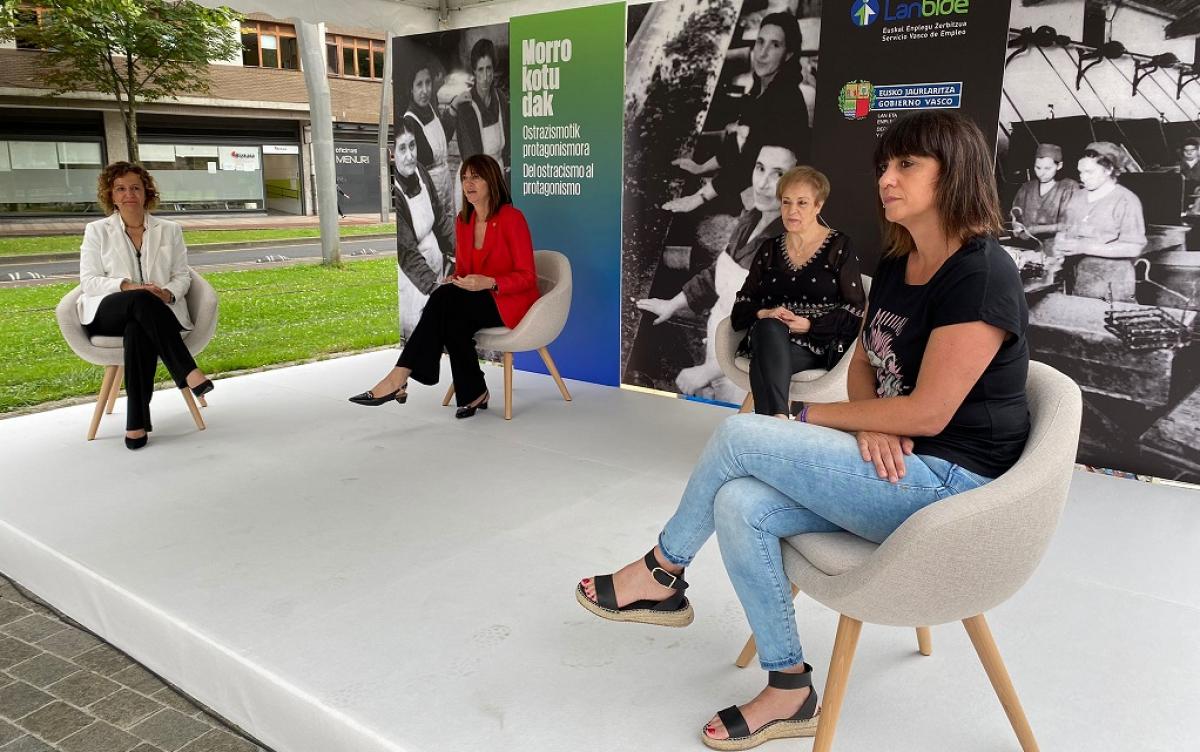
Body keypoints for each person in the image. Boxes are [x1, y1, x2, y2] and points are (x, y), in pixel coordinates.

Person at [577, 110, 1030, 751]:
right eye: (884, 166)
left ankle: (662, 571)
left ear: (953, 175)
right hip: (899, 461)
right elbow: (871, 360)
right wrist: (873, 424)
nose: (886, 179)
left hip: (951, 486)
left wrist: (808, 416)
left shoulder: (981, 274)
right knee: (738, 503)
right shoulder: (903, 260)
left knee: (741, 437)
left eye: (906, 165)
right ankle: (789, 684)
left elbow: (928, 414)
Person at [349, 154, 538, 418]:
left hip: (509, 301)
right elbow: (464, 269)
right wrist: (457, 279)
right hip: (475, 296)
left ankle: (399, 376)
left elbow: (528, 276)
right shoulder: (464, 220)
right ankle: (474, 393)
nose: (468, 183)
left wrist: (491, 282)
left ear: (491, 180)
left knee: (444, 302)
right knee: (450, 313)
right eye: (464, 178)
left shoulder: (512, 218)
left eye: (476, 177)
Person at [636, 142, 796, 400]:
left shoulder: (786, 249)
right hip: (720, 347)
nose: (763, 183)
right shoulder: (752, 218)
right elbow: (719, 273)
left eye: (778, 174)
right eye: (760, 168)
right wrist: (672, 304)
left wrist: (708, 372)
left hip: (749, 376)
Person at [78, 162, 215, 450]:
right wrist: (129, 287)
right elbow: (89, 281)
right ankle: (187, 371)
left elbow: (182, 275)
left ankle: (136, 423)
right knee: (139, 300)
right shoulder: (96, 231)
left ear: (146, 192)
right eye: (121, 189)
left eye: (135, 188)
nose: (129, 194)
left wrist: (167, 294)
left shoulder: (170, 230)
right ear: (111, 195)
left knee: (138, 328)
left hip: (158, 312)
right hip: (108, 310)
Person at [729, 165, 865, 418]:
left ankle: (770, 421)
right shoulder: (768, 248)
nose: (792, 211)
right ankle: (780, 418)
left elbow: (855, 311)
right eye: (786, 202)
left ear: (818, 205)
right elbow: (742, 306)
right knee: (768, 327)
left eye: (802, 203)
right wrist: (764, 313)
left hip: (816, 343)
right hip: (767, 337)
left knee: (765, 360)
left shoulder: (839, 246)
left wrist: (808, 325)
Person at [665, 13, 808, 214]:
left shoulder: (783, 102)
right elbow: (740, 143)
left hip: (777, 197)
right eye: (760, 42)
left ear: (789, 54)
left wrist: (698, 198)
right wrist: (702, 167)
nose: (762, 53)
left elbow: (746, 163)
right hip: (754, 176)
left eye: (775, 45)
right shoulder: (764, 85)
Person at [1053, 141, 1146, 302]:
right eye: (1080, 172)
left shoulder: (1126, 200)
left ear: (1108, 170)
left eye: (1090, 172)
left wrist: (1084, 247)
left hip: (1113, 283)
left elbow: (1134, 248)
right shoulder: (1077, 197)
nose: (1083, 177)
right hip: (1080, 279)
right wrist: (1059, 247)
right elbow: (1064, 229)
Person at [393, 120, 456, 339]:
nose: (410, 155)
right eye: (402, 148)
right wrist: (434, 288)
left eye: (412, 145)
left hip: (437, 272)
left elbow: (439, 218)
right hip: (415, 283)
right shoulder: (396, 194)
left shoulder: (419, 170)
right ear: (392, 154)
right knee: (423, 338)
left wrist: (460, 251)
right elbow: (408, 253)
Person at [402, 62, 457, 215]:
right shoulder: (409, 121)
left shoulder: (431, 109)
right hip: (429, 190)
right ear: (411, 89)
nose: (425, 90)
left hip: (445, 183)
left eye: (428, 83)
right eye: (419, 84)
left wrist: (453, 110)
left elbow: (442, 142)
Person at [455, 39, 509, 180]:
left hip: (498, 173)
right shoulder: (466, 106)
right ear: (474, 71)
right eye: (480, 69)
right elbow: (470, 156)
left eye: (489, 68)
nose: (485, 77)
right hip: (475, 177)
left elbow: (508, 144)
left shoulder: (501, 99)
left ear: (494, 68)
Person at [1009, 143, 1076, 240]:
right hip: (1026, 245)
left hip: (1055, 245)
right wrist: (1016, 225)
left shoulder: (1069, 188)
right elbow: (1016, 213)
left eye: (1047, 168)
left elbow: (1068, 224)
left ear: (1059, 166)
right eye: (1038, 168)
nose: (1042, 173)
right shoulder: (1027, 188)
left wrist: (1035, 230)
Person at [1178, 137, 1200, 209]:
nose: (1189, 152)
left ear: (1197, 150)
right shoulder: (1178, 166)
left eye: (1192, 150)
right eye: (1186, 150)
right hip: (1183, 192)